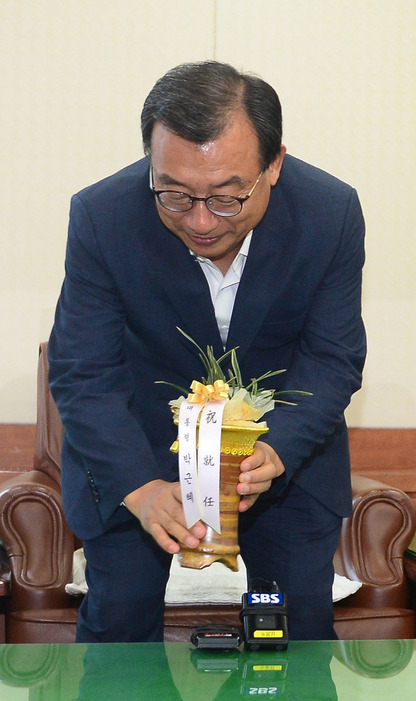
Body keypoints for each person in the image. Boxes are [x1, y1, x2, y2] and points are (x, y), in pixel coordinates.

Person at [48, 60, 366, 642]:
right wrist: (139, 487)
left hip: (277, 464)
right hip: (138, 456)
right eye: (173, 194)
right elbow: (82, 369)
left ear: (274, 164)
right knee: (119, 631)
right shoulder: (102, 217)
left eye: (226, 197)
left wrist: (280, 449)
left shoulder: (329, 214)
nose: (199, 221)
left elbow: (333, 354)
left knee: (294, 633)